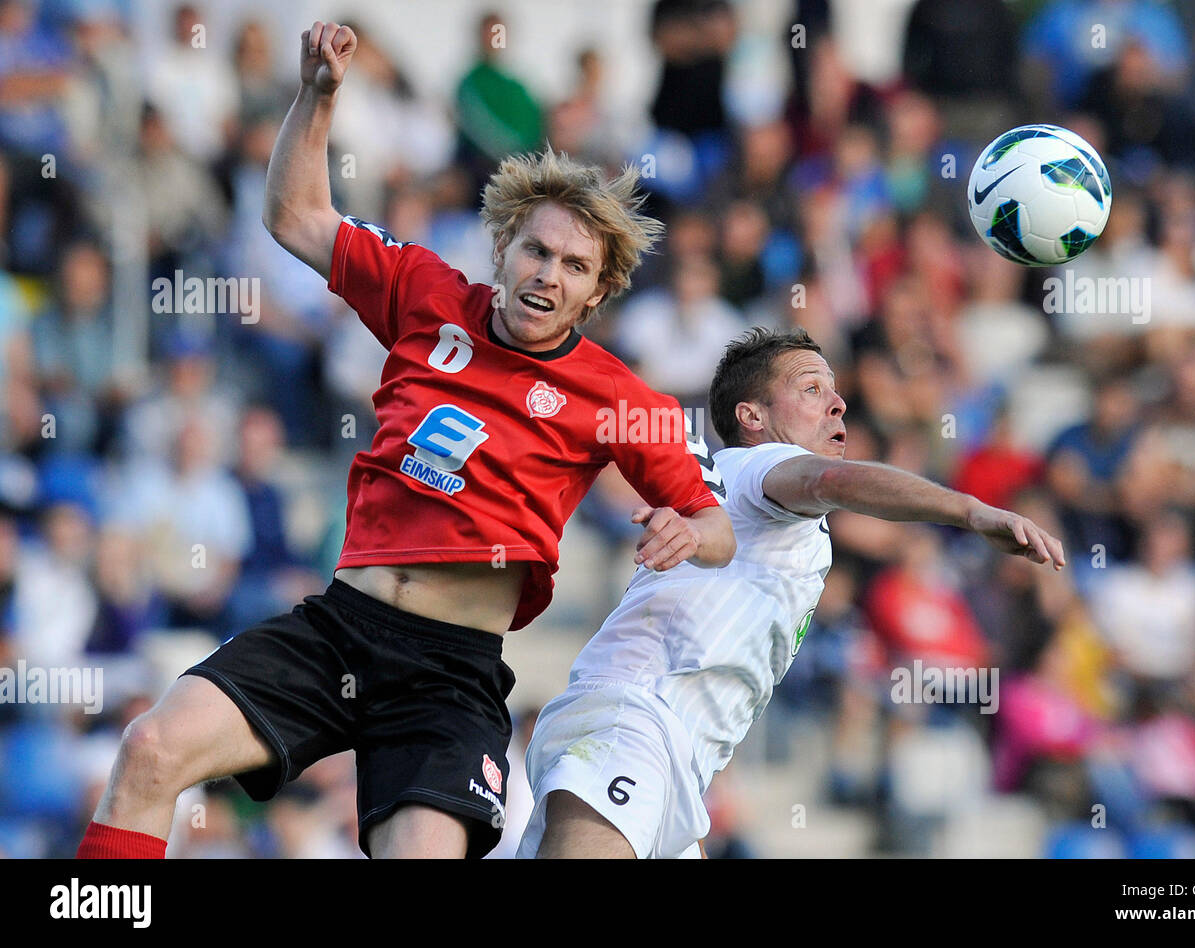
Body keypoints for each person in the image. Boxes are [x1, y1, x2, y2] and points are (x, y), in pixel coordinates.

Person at [76, 21, 734, 861]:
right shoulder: (426, 294)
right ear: (503, 247)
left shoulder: (617, 396)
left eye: (574, 266)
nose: (547, 274)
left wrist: (690, 529)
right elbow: (296, 214)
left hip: (449, 675)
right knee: (148, 750)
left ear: (596, 291)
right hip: (336, 629)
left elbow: (715, 524)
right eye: (536, 249)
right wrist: (317, 98)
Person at [518, 328, 1066, 858]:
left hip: (670, 748)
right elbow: (830, 482)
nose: (838, 404)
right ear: (751, 417)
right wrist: (970, 511)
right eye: (811, 390)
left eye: (833, 391)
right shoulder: (762, 465)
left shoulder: (742, 496)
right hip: (636, 721)